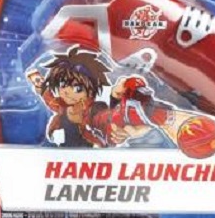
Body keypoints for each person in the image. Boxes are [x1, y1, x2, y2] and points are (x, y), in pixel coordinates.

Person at [27, 45, 201, 148]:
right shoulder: (62, 107)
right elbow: (51, 99)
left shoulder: (94, 108)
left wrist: (118, 125)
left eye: (77, 88)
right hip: (61, 158)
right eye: (63, 85)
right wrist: (38, 82)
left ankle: (152, 116)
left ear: (90, 90)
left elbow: (103, 117)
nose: (67, 91)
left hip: (91, 155)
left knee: (124, 118)